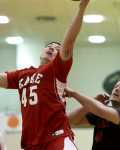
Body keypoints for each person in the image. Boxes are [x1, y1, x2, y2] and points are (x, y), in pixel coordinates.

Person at [0, 0, 90, 149]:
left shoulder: (56, 70)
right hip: (31, 143)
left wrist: (81, 9)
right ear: (41, 52)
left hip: (56, 137)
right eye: (49, 46)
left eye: (56, 49)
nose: (52, 48)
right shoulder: (23, 74)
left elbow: (69, 43)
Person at [65, 76, 120, 150]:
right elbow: (70, 120)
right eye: (115, 87)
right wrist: (95, 100)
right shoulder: (103, 113)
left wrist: (73, 93)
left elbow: (99, 109)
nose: (117, 89)